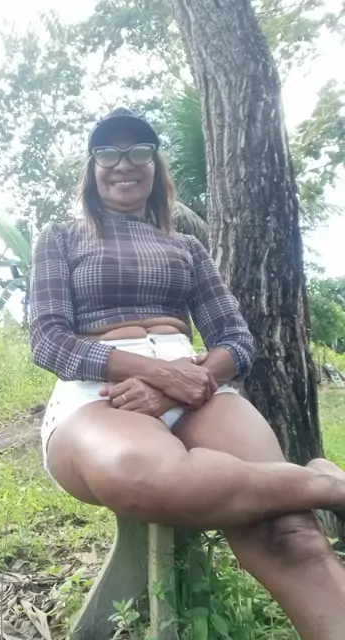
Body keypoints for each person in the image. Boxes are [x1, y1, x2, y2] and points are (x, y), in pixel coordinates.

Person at [29, 107, 345, 640]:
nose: (124, 163)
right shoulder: (60, 237)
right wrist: (157, 374)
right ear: (92, 167)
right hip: (100, 390)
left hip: (197, 383)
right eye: (108, 152)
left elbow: (236, 340)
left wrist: (185, 383)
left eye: (139, 151)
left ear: (155, 166)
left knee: (289, 532)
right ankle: (325, 484)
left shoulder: (186, 246)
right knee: (140, 474)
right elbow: (48, 339)